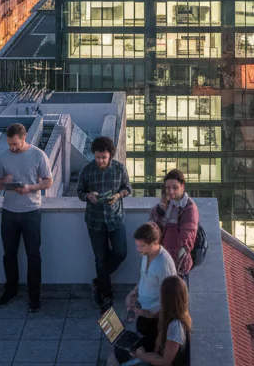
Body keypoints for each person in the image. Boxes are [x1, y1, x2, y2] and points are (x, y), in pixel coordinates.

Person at [0, 122, 53, 312]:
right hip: (9, 212)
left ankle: (34, 296)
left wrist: (30, 188)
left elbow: (48, 181)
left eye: (15, 144)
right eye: (10, 144)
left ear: (24, 138)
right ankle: (11, 290)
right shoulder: (3, 156)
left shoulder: (38, 154)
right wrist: (6, 181)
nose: (12, 148)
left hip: (31, 211)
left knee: (33, 256)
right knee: (9, 254)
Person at [79, 136, 132, 310]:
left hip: (115, 218)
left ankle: (98, 281)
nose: (100, 161)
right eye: (97, 157)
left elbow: (127, 189)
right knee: (100, 260)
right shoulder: (87, 170)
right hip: (95, 221)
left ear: (110, 155)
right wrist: (89, 196)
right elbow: (80, 192)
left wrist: (117, 196)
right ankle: (105, 293)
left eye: (104, 157)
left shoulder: (119, 169)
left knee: (121, 252)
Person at [121, 222, 179, 361]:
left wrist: (152, 314)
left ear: (154, 243)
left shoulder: (164, 264)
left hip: (156, 320)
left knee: (132, 354)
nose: (138, 250)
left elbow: (169, 299)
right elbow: (144, 277)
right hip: (144, 313)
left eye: (142, 246)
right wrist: (133, 293)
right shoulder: (146, 254)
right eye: (137, 246)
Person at [117, 275, 191, 366]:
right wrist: (141, 312)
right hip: (157, 354)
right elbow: (154, 315)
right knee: (121, 349)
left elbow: (165, 362)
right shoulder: (172, 313)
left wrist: (141, 355)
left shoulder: (175, 328)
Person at [150, 169, 199, 281]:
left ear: (183, 186)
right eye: (167, 188)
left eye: (175, 188)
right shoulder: (167, 203)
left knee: (177, 297)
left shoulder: (189, 208)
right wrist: (159, 211)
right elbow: (154, 228)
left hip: (178, 267)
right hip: (162, 260)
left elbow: (186, 242)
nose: (171, 191)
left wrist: (174, 269)